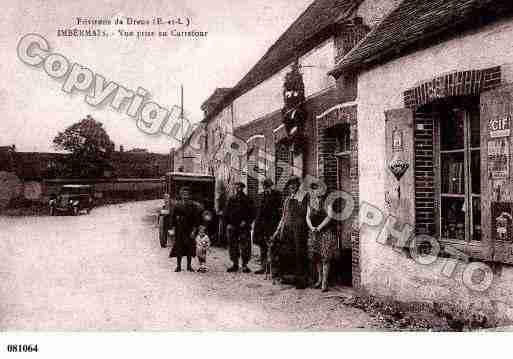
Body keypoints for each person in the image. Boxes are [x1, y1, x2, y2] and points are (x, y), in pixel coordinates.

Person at [272, 175, 308, 289]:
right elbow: (283, 217)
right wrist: (277, 231)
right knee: (287, 252)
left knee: (299, 253)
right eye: (290, 184)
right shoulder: (287, 199)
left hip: (299, 230)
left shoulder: (304, 196)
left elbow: (306, 213)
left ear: (298, 185)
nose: (292, 186)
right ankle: (289, 278)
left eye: (294, 184)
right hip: (287, 230)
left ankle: (301, 280)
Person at [306, 182, 337, 292]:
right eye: (314, 189)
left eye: (317, 189)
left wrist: (319, 227)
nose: (315, 191)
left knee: (325, 257)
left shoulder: (328, 201)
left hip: (325, 232)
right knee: (317, 257)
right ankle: (319, 279)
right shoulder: (311, 202)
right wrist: (311, 227)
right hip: (314, 232)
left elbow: (329, 216)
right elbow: (307, 216)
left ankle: (325, 281)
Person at [169, 186, 202, 272]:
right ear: (181, 195)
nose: (185, 196)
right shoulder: (177, 205)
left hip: (189, 229)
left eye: (187, 194)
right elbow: (173, 218)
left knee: (189, 247)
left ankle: (189, 266)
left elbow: (196, 220)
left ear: (189, 195)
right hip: (179, 229)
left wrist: (194, 231)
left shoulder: (193, 206)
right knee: (179, 247)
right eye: (183, 194)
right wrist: (172, 229)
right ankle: (178, 266)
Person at [253, 178, 282, 275]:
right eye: (264, 186)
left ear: (271, 185)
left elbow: (277, 210)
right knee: (262, 247)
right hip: (261, 225)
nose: (265, 187)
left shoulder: (276, 195)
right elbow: (258, 211)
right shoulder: (261, 196)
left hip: (272, 224)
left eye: (267, 185)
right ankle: (263, 267)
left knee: (273, 247)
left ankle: (273, 269)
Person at [225, 181, 255, 273]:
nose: (238, 189)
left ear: (243, 188)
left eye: (239, 187)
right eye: (236, 187)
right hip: (233, 226)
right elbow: (227, 212)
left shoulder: (248, 199)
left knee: (245, 246)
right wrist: (229, 223)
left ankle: (245, 265)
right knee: (233, 245)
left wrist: (246, 222)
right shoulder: (231, 199)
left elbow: (252, 213)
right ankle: (235, 264)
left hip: (244, 227)